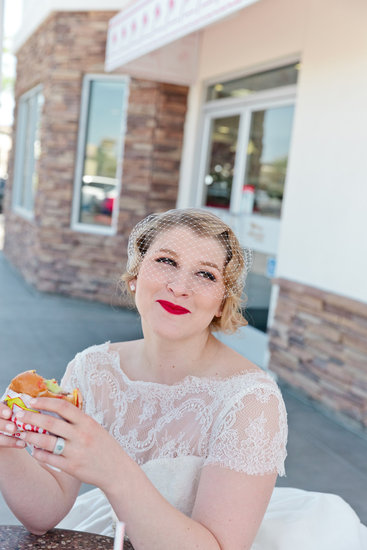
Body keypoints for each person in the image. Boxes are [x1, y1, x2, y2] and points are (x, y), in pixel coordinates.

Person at [0, 208, 366, 550]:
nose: (179, 286)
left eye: (205, 274)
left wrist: (114, 470)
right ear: (134, 276)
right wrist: (6, 448)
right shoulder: (92, 369)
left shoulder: (251, 400)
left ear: (223, 302)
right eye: (165, 261)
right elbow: (42, 515)